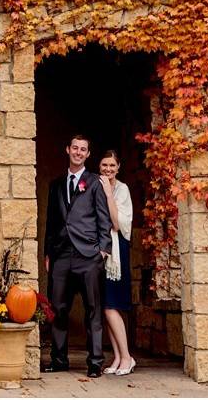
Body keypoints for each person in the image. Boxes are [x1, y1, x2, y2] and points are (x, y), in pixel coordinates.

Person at [42, 135, 113, 378]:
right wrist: (47, 253)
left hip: (88, 255)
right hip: (61, 254)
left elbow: (103, 219)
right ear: (68, 149)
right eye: (75, 148)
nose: (79, 152)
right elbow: (51, 222)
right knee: (57, 309)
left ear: (88, 154)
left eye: (83, 149)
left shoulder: (95, 183)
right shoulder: (57, 184)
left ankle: (95, 362)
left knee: (93, 309)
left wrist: (102, 250)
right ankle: (59, 359)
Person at [99, 150, 136, 376]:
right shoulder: (96, 185)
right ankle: (118, 357)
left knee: (112, 306)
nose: (108, 169)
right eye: (104, 165)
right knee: (106, 307)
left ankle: (127, 357)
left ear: (118, 167)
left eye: (112, 165)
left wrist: (108, 194)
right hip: (102, 250)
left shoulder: (122, 190)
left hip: (117, 249)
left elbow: (116, 223)